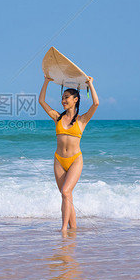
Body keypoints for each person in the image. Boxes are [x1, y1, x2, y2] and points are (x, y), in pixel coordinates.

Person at [39, 75, 99, 233]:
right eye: (62, 98)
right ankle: (73, 229)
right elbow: (41, 101)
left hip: (75, 160)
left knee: (66, 192)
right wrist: (46, 81)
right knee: (65, 195)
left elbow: (96, 103)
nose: (63, 100)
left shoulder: (82, 120)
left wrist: (90, 84)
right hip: (59, 160)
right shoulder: (57, 117)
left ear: (76, 99)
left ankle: (64, 229)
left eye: (66, 98)